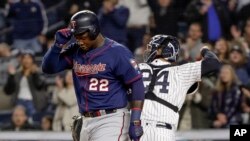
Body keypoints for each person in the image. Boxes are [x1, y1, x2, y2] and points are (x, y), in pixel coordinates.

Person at [42, 10, 144, 141]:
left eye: (82, 36)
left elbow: (136, 84)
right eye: (76, 37)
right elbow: (48, 68)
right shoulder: (76, 51)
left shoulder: (117, 52)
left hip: (111, 119)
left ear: (94, 30)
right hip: (85, 120)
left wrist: (135, 120)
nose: (79, 41)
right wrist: (57, 45)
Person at [138, 35, 220, 141]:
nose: (149, 50)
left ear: (162, 50)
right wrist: (204, 50)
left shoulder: (138, 68)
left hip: (135, 128)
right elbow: (213, 63)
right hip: (162, 132)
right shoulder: (181, 72)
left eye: (153, 47)